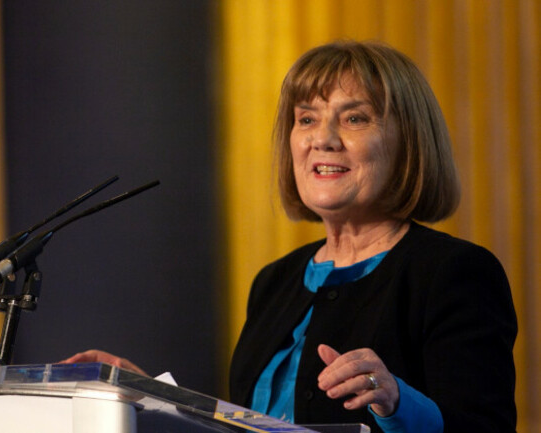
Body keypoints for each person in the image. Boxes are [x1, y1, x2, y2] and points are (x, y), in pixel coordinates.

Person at [63, 41, 517, 433]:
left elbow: (483, 427)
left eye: (355, 118)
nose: (324, 139)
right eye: (306, 119)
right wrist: (145, 394)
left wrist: (396, 400)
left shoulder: (454, 273)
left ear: (408, 142)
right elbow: (254, 424)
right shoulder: (275, 282)